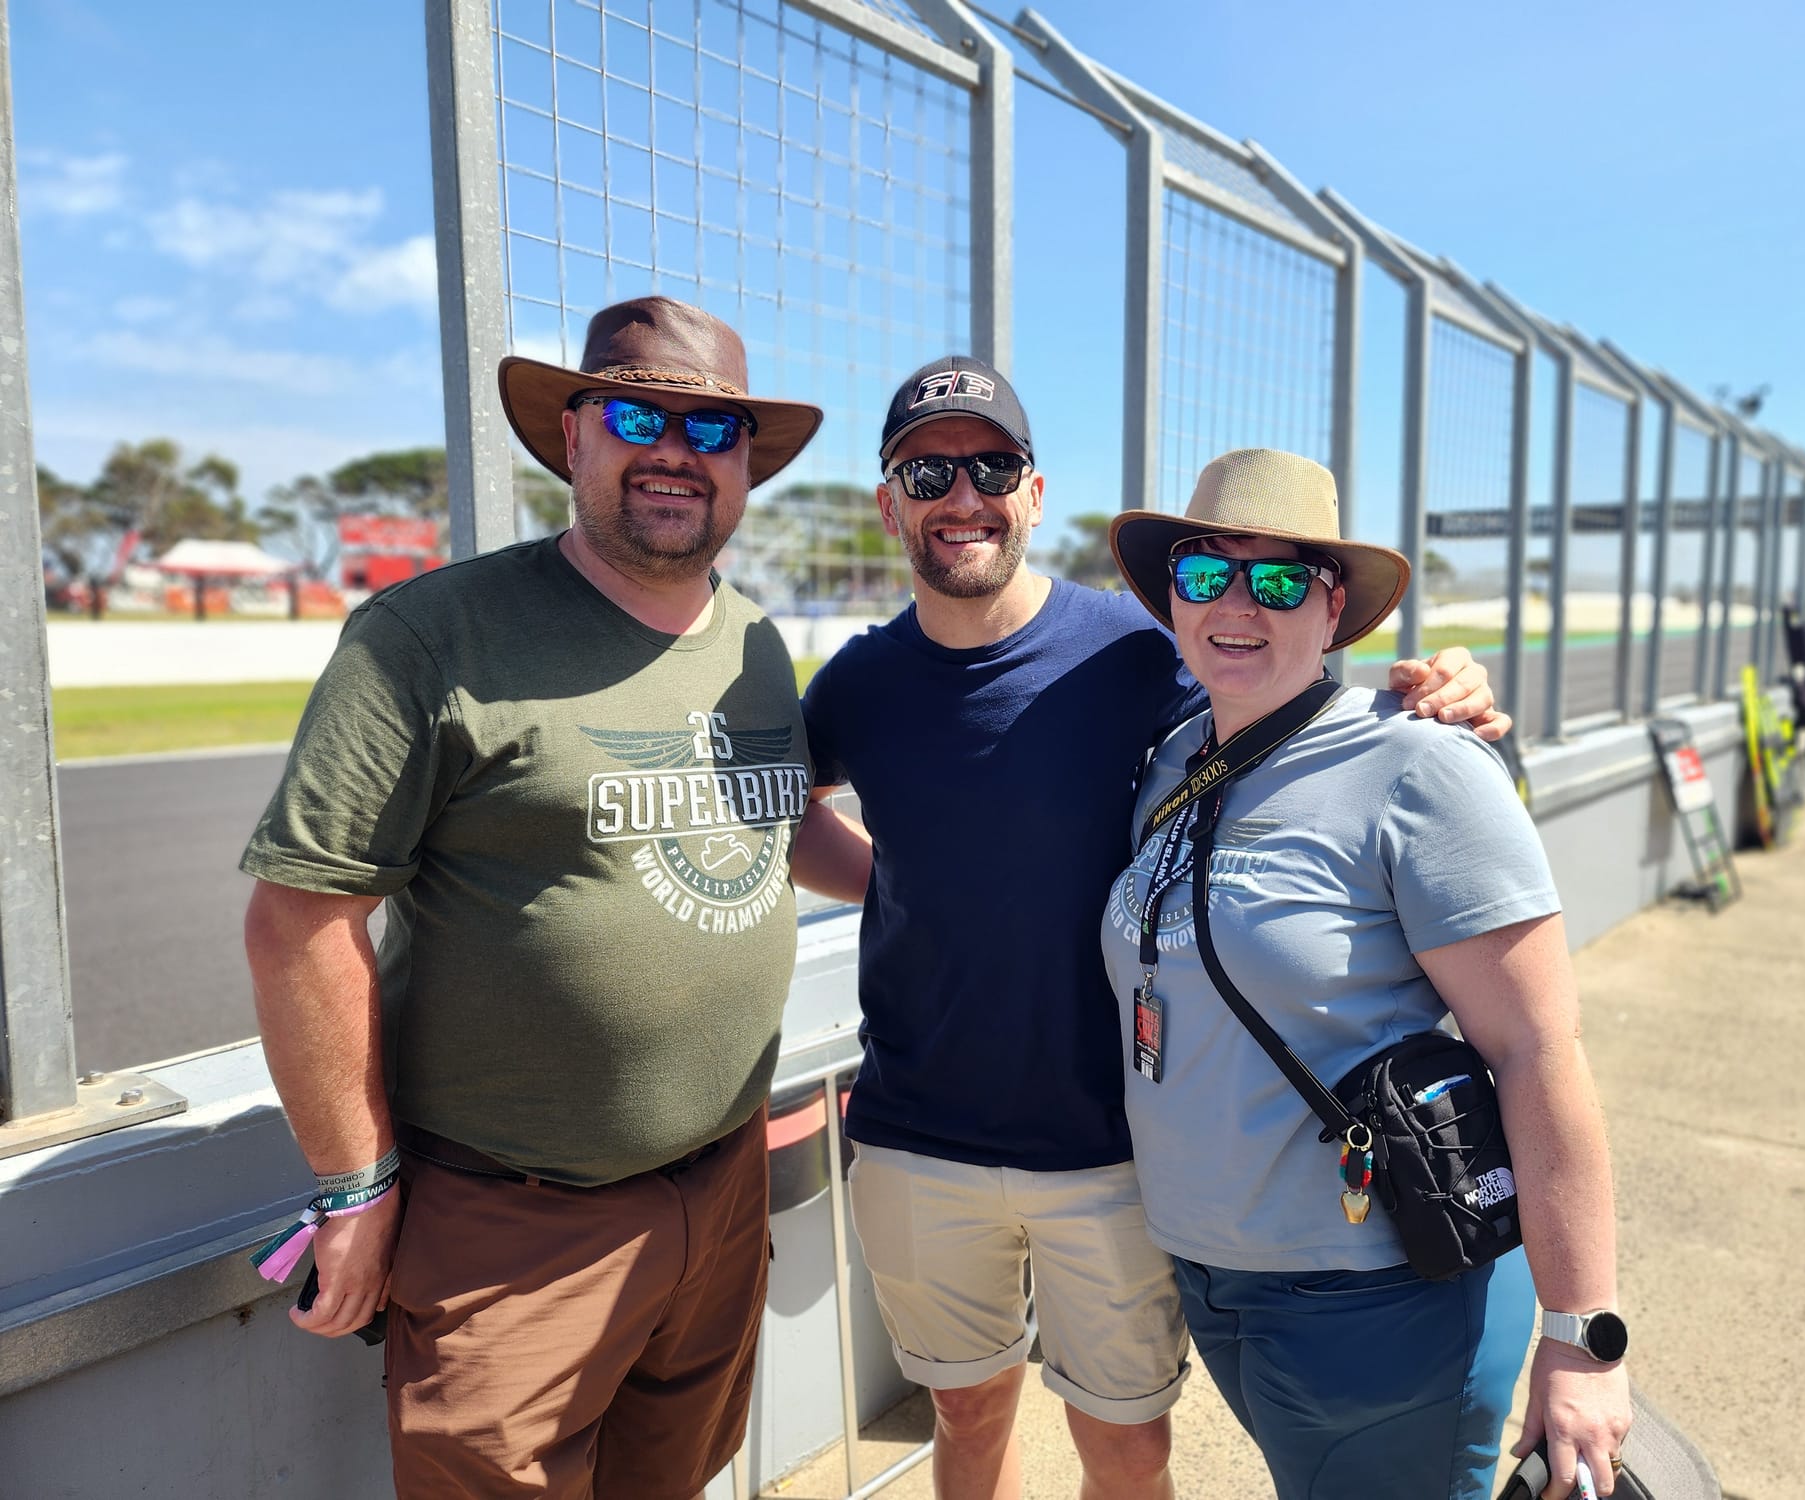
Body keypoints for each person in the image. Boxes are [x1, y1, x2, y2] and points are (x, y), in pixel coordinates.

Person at [796, 359, 1510, 1500]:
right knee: (965, 1414)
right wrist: (908, 883)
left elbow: (1277, 694)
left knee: (1126, 1447)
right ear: (890, 503)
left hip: (1115, 1146)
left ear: (1034, 494)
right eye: (928, 473)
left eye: (993, 468)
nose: (963, 495)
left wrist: (1431, 690)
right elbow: (790, 815)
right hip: (916, 1132)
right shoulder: (858, 682)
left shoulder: (1133, 651)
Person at [241, 295, 850, 1498]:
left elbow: (777, 827)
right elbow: (300, 916)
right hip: (514, 1224)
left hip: (721, 1187)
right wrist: (355, 1183)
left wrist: (943, 892)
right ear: (572, 437)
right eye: (634, 417)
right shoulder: (431, 636)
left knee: (677, 1478)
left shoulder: (754, 644)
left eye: (711, 430)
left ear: (745, 466)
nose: (674, 451)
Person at [1099, 448, 1631, 1500]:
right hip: (1216, 1279)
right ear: (1173, 596)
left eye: (1279, 578)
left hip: (1379, 1300)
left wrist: (1582, 1338)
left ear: (1333, 605)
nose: (1236, 604)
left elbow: (1537, 1048)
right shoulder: (1169, 760)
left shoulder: (1420, 764)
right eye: (1205, 573)